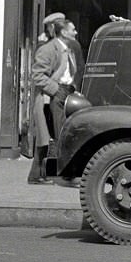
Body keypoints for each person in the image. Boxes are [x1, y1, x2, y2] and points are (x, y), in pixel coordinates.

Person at [27, 12, 79, 185]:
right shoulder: (48, 49)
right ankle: (57, 174)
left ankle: (39, 175)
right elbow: (37, 75)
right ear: (63, 32)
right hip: (52, 95)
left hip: (66, 93)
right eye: (73, 29)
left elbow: (69, 74)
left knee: (57, 134)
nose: (76, 32)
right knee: (57, 135)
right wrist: (56, 90)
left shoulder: (68, 49)